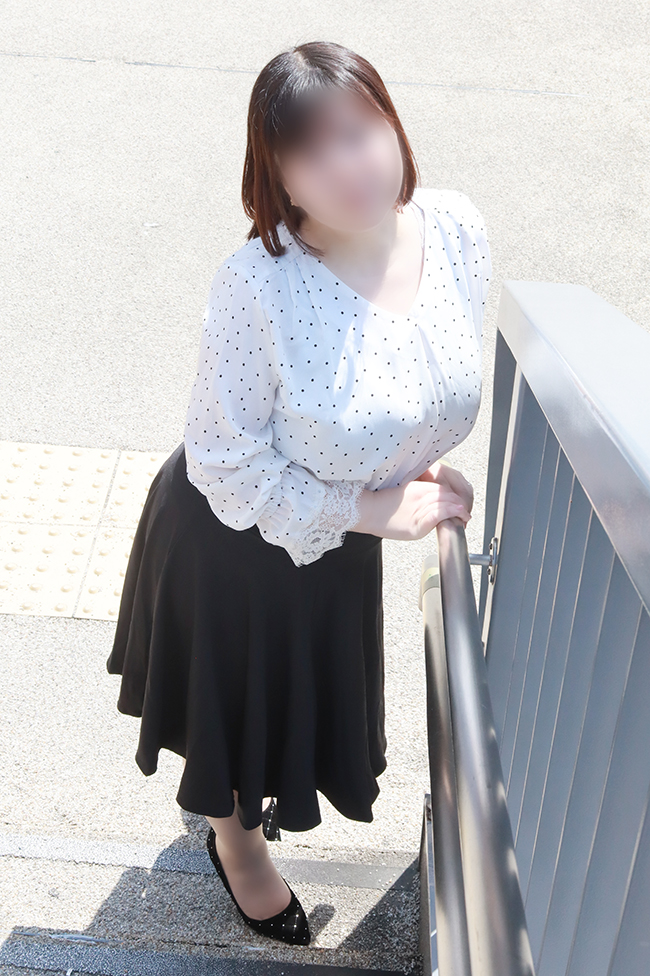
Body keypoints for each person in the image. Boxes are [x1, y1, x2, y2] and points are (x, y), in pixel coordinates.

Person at [106, 40, 491, 947]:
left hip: (341, 537)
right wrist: (368, 508)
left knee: (289, 708)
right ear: (275, 176)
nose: (347, 166)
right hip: (232, 540)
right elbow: (223, 459)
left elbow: (418, 378)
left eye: (360, 131)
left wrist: (406, 464)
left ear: (394, 126)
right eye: (310, 152)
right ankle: (236, 846)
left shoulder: (454, 227)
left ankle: (244, 817)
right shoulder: (259, 284)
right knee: (235, 714)